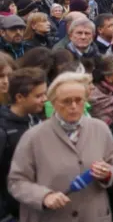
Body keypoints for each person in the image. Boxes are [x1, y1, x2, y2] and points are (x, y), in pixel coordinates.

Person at [8, 72, 113, 222]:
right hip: (52, 217)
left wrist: (107, 174)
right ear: (53, 103)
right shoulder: (33, 137)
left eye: (78, 100)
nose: (73, 106)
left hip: (93, 215)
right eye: (66, 101)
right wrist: (44, 196)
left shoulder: (100, 129)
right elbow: (16, 181)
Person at [0, 68, 47, 221]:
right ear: (20, 97)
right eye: (38, 96)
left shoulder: (35, 120)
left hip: (35, 204)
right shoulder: (3, 130)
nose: (45, 99)